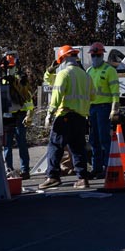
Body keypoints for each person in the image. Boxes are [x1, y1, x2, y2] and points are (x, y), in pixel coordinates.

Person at [40, 45, 92, 190]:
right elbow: (92, 95)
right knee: (77, 148)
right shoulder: (86, 75)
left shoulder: (64, 74)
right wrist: (50, 71)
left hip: (65, 115)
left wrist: (50, 113)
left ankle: (52, 176)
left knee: (55, 146)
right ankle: (83, 179)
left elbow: (56, 95)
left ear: (62, 59)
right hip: (81, 117)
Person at [86, 42, 121, 178]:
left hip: (104, 108)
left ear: (102, 55)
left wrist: (114, 110)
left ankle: (107, 166)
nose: (95, 57)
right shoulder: (89, 71)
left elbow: (115, 92)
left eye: (97, 55)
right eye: (93, 55)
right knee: (94, 140)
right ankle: (96, 167)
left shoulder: (109, 71)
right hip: (92, 108)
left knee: (104, 139)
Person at [0, 52, 33, 179]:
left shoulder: (20, 80)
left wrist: (29, 113)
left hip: (19, 115)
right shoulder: (0, 81)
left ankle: (25, 170)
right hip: (6, 116)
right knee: (7, 145)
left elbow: (28, 98)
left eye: (11, 67)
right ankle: (9, 170)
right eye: (7, 68)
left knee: (22, 143)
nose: (9, 70)